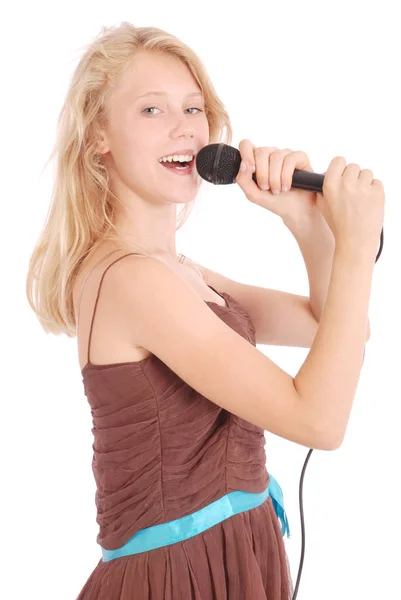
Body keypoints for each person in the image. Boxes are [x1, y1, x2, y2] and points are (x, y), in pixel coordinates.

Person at [26, 21, 383, 600]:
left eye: (194, 108)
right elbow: (319, 420)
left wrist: (305, 221)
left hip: (239, 551)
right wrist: (357, 246)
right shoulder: (131, 281)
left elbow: (337, 325)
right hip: (177, 576)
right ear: (99, 135)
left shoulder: (180, 270)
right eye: (151, 110)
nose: (184, 128)